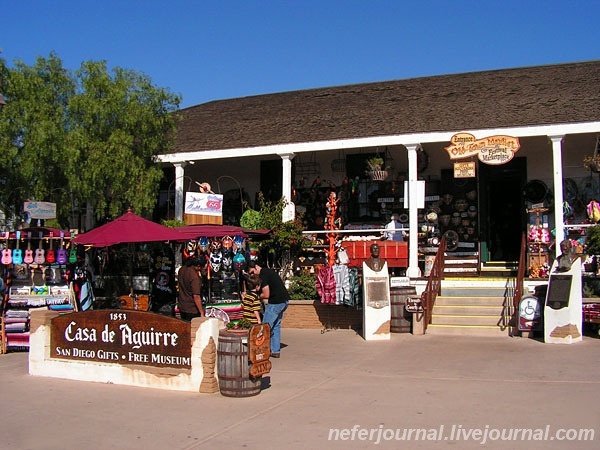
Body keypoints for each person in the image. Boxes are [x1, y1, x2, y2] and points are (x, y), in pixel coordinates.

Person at [247, 261, 290, 358]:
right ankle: (275, 350)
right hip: (284, 300)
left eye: (252, 272)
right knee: (275, 326)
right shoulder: (268, 272)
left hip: (275, 302)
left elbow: (266, 294)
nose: (252, 275)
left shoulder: (263, 275)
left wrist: (256, 296)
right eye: (250, 274)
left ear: (256, 267)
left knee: (265, 327)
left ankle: (261, 351)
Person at [177, 256, 205, 321]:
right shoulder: (194, 276)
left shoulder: (182, 269)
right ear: (198, 266)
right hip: (192, 309)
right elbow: (196, 296)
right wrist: (201, 312)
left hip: (182, 306)